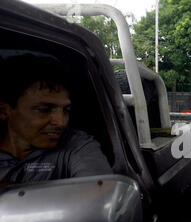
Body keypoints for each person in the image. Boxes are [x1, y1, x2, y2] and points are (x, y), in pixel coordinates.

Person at [0, 54, 112, 186]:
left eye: (66, 110)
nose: (61, 122)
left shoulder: (76, 145)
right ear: (4, 111)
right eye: (44, 109)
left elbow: (99, 192)